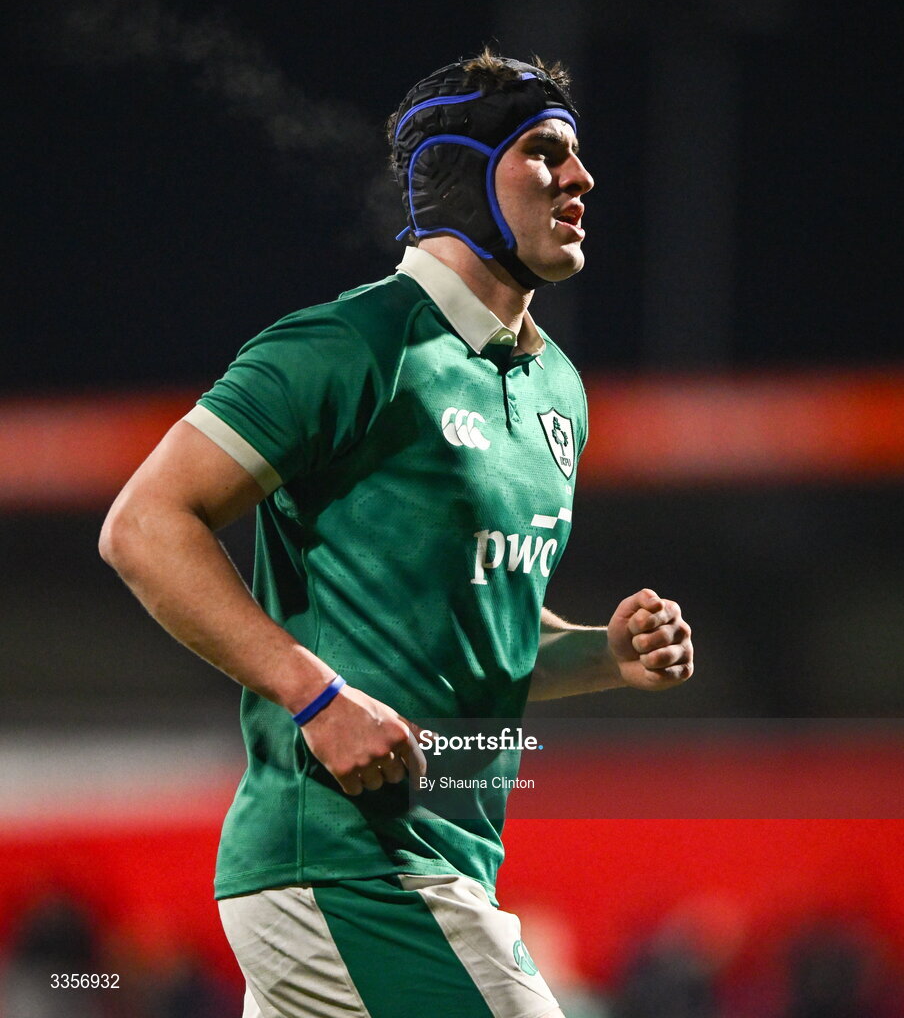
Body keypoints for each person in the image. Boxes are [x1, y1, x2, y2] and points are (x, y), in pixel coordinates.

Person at [100, 50, 694, 1018]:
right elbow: (144, 524)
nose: (579, 179)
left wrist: (603, 655)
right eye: (542, 153)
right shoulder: (350, 344)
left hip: (440, 854)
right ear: (459, 175)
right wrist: (315, 694)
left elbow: (477, 634)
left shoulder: (556, 389)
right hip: (349, 862)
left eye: (574, 157)